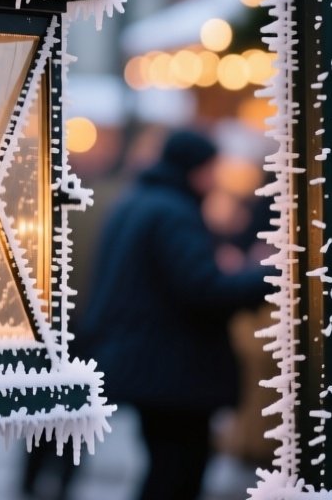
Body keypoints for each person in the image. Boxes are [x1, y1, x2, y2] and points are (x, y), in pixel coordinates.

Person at [80, 129, 270, 500]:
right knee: (176, 471)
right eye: (212, 168)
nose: (216, 179)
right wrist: (272, 273)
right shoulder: (173, 211)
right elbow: (203, 288)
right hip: (172, 372)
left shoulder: (140, 200)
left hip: (150, 363)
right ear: (197, 169)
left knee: (166, 466)